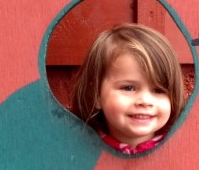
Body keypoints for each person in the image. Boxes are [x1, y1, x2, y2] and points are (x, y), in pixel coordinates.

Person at [71, 24, 186, 154]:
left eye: (158, 90)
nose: (145, 101)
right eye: (129, 88)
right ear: (96, 94)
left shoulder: (183, 149)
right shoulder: (77, 149)